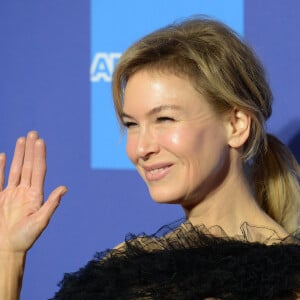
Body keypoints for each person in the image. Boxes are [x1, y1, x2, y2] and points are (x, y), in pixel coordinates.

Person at [0, 17, 299, 300]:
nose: (141, 148)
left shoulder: (287, 281)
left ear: (236, 125)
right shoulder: (129, 262)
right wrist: (9, 255)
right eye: (132, 124)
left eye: (165, 119)